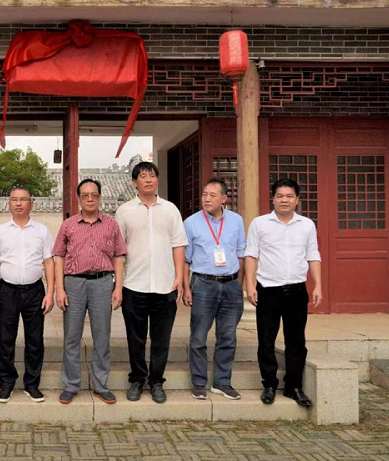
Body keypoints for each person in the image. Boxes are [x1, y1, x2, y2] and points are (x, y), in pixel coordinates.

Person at [245, 178, 322, 407]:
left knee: (296, 340)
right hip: (268, 289)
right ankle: (269, 384)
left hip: (297, 290)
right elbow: (251, 255)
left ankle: (293, 386)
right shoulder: (260, 224)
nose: (284, 200)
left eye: (289, 196)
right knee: (266, 340)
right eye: (280, 196)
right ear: (273, 199)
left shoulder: (307, 225)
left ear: (297, 200)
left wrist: (318, 285)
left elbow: (313, 255)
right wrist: (250, 285)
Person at [115, 162, 187, 404]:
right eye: (143, 176)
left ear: (157, 179)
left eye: (152, 175)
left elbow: (178, 244)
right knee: (135, 338)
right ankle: (137, 379)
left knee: (161, 338)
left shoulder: (170, 209)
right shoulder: (124, 211)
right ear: (134, 182)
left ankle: (156, 381)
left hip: (165, 285)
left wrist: (179, 277)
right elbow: (118, 251)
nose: (148, 179)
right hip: (134, 285)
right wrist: (118, 285)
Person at [54, 178, 127, 405]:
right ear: (78, 198)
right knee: (71, 336)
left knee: (102, 336)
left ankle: (100, 385)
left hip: (102, 282)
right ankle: (71, 384)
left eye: (94, 195)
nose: (89, 199)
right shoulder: (68, 225)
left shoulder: (111, 224)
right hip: (73, 283)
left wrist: (118, 288)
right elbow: (58, 256)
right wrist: (59, 288)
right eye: (85, 195)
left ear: (100, 197)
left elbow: (119, 256)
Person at [0, 188, 55, 403]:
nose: (18, 203)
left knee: (35, 339)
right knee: (6, 339)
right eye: (14, 199)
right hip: (8, 291)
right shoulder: (0, 231)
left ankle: (32, 384)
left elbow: (48, 262)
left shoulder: (42, 231)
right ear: (9, 203)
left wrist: (50, 292)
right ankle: (6, 383)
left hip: (35, 291)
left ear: (31, 203)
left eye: (23, 199)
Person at [183, 178, 246, 401]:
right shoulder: (191, 222)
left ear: (224, 198)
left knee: (227, 336)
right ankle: (199, 382)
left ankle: (222, 382)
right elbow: (186, 259)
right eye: (204, 194)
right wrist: (186, 288)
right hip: (203, 283)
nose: (207, 199)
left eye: (212, 195)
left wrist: (239, 284)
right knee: (199, 336)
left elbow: (241, 253)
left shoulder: (236, 221)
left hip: (231, 284)